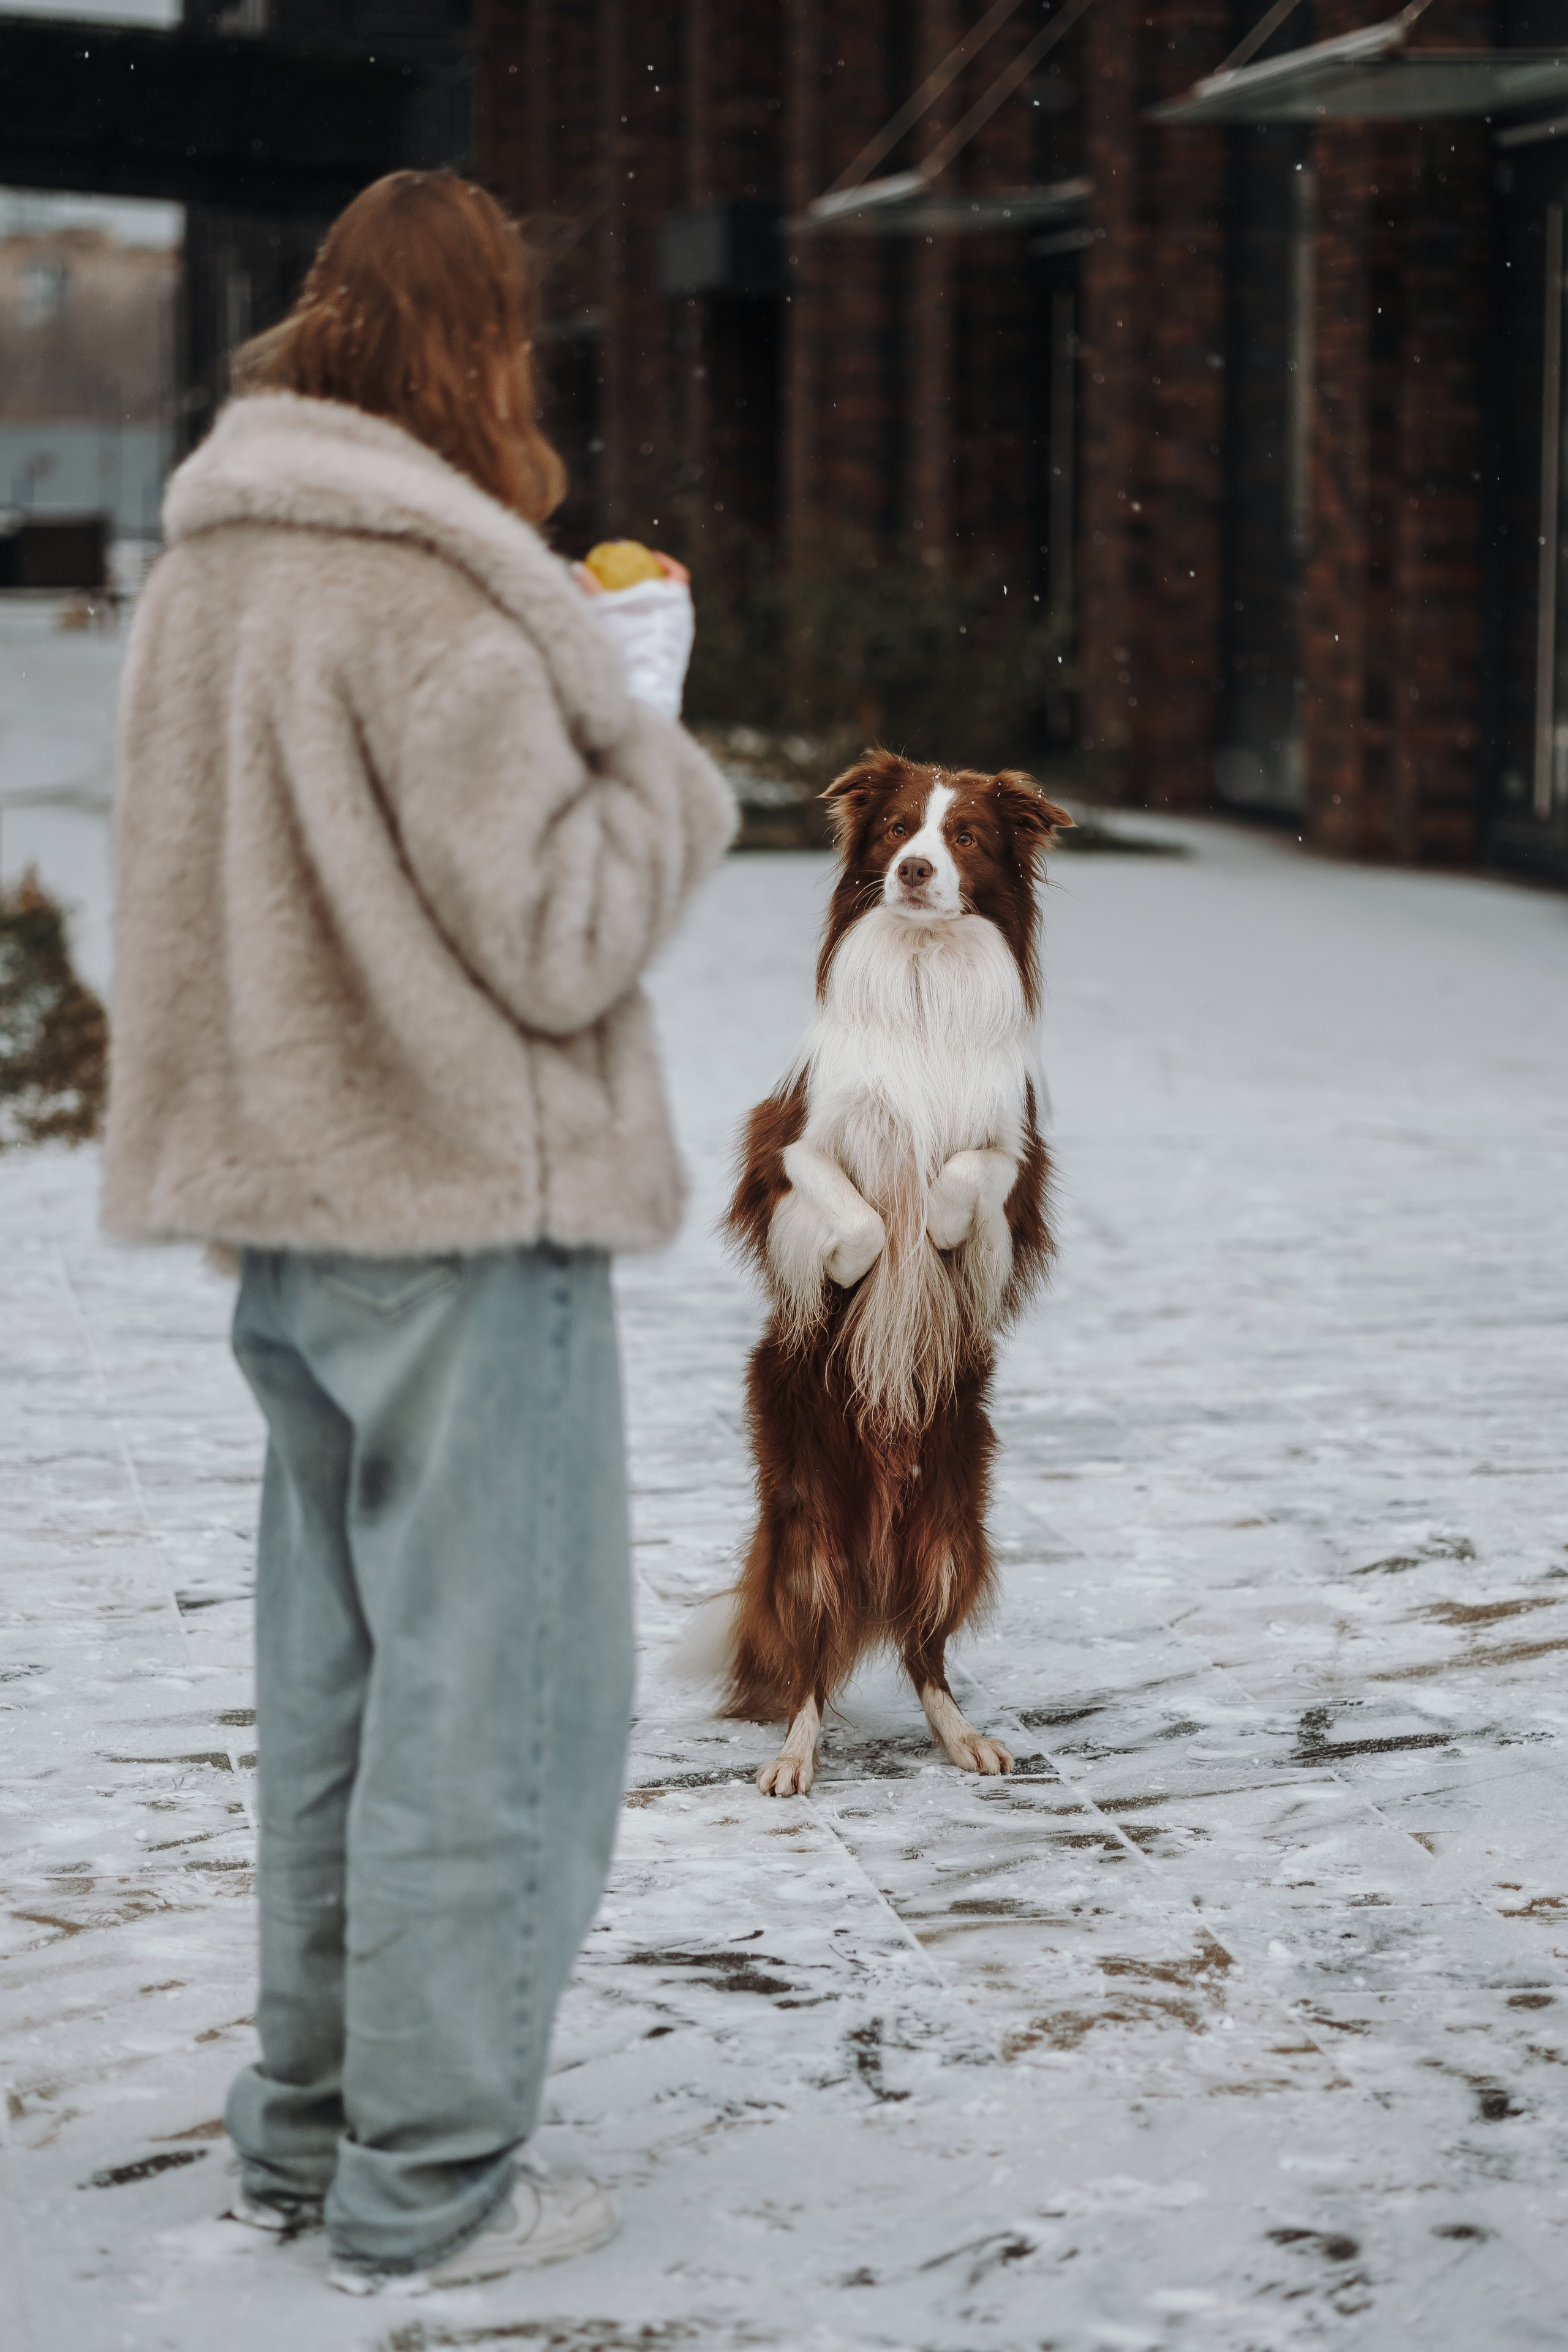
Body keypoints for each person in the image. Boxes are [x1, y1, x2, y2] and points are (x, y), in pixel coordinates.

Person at [102, 170, 734, 2296]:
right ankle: (434, 2180)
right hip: (465, 1214)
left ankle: (305, 2133)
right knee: (502, 1709)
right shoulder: (439, 591)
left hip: (293, 1214)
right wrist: (640, 737)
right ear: (484, 348)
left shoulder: (220, 561)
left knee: (343, 1693)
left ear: (316, 331)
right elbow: (558, 932)